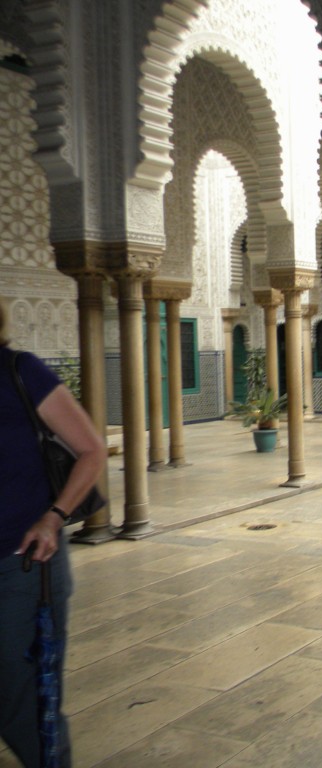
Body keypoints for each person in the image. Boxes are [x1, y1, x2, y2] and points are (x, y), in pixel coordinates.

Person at [1, 298, 106, 768]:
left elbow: (91, 449)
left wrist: (54, 516)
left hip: (21, 565)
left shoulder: (20, 371)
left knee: (22, 696)